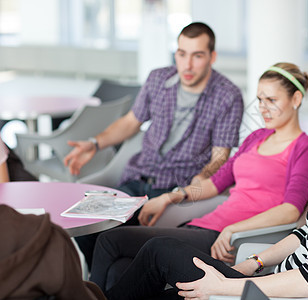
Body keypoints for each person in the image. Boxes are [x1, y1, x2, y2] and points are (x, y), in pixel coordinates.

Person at [97, 64, 308, 300]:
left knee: (156, 251)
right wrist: (175, 197)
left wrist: (226, 284)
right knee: (136, 266)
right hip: (264, 273)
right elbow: (306, 233)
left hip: (269, 284)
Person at [89, 62, 308, 291]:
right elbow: (213, 184)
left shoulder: (306, 147)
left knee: (110, 241)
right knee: (119, 268)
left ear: (296, 99)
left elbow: (290, 210)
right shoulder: (256, 138)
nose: (263, 108)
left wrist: (233, 229)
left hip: (227, 240)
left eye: (272, 100)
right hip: (204, 226)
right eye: (260, 99)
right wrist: (171, 197)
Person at [64, 22, 244, 267]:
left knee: (115, 243)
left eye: (197, 56)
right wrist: (95, 144)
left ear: (212, 57)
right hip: (134, 181)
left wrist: (193, 186)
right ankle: (100, 286)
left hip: (172, 189)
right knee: (86, 224)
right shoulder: (158, 79)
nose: (187, 65)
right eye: (182, 54)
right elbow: (131, 122)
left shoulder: (227, 96)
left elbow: (220, 157)